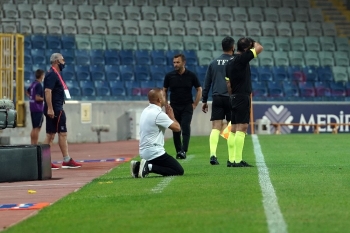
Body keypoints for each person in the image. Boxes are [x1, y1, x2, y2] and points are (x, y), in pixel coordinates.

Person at [225, 37, 264, 167]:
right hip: (242, 96)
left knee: (234, 129)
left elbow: (228, 84)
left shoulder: (229, 63)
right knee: (242, 128)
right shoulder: (242, 59)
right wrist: (254, 42)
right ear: (247, 48)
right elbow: (260, 48)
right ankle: (237, 160)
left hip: (234, 97)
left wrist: (232, 96)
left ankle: (231, 159)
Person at [130, 88, 184, 178]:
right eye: (164, 96)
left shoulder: (145, 111)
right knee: (178, 170)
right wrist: (172, 117)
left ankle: (138, 166)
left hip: (143, 152)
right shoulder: (159, 114)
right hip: (154, 152)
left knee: (167, 165)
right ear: (159, 100)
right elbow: (177, 128)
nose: (165, 99)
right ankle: (148, 167)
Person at [43, 53, 82, 169]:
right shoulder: (52, 75)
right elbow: (47, 91)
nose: (64, 62)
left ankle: (60, 160)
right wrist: (50, 108)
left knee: (55, 134)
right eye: (62, 60)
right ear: (56, 61)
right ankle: (57, 160)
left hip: (56, 108)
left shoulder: (55, 74)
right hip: (55, 109)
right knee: (54, 134)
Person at [202, 36, 235, 165]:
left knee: (216, 127)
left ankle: (213, 155)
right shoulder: (235, 61)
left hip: (217, 97)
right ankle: (232, 157)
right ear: (233, 47)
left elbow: (207, 83)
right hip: (231, 98)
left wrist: (204, 100)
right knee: (232, 127)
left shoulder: (213, 63)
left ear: (222, 47)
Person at [163, 54, 202, 159]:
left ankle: (184, 150)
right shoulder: (169, 76)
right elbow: (164, 90)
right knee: (176, 129)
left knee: (185, 126)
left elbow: (199, 89)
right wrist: (166, 104)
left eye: (177, 62)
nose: (175, 64)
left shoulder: (191, 75)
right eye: (174, 62)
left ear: (184, 63)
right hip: (174, 106)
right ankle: (178, 151)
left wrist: (195, 104)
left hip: (187, 106)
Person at [26, 69, 45, 145]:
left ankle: (32, 144)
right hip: (38, 109)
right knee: (37, 128)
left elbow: (27, 92)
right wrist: (45, 99)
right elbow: (37, 98)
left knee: (34, 128)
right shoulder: (39, 85)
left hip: (32, 108)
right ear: (41, 76)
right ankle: (35, 144)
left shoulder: (33, 84)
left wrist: (31, 97)